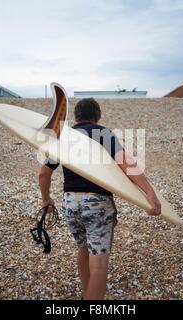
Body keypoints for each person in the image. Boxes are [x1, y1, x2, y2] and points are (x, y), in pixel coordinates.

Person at [38, 98, 161, 300]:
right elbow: (125, 163)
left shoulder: (64, 137)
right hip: (97, 204)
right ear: (97, 116)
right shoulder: (103, 133)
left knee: (83, 248)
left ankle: (88, 295)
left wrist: (46, 199)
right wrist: (149, 192)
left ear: (76, 116)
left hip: (70, 202)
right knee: (99, 263)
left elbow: (43, 174)